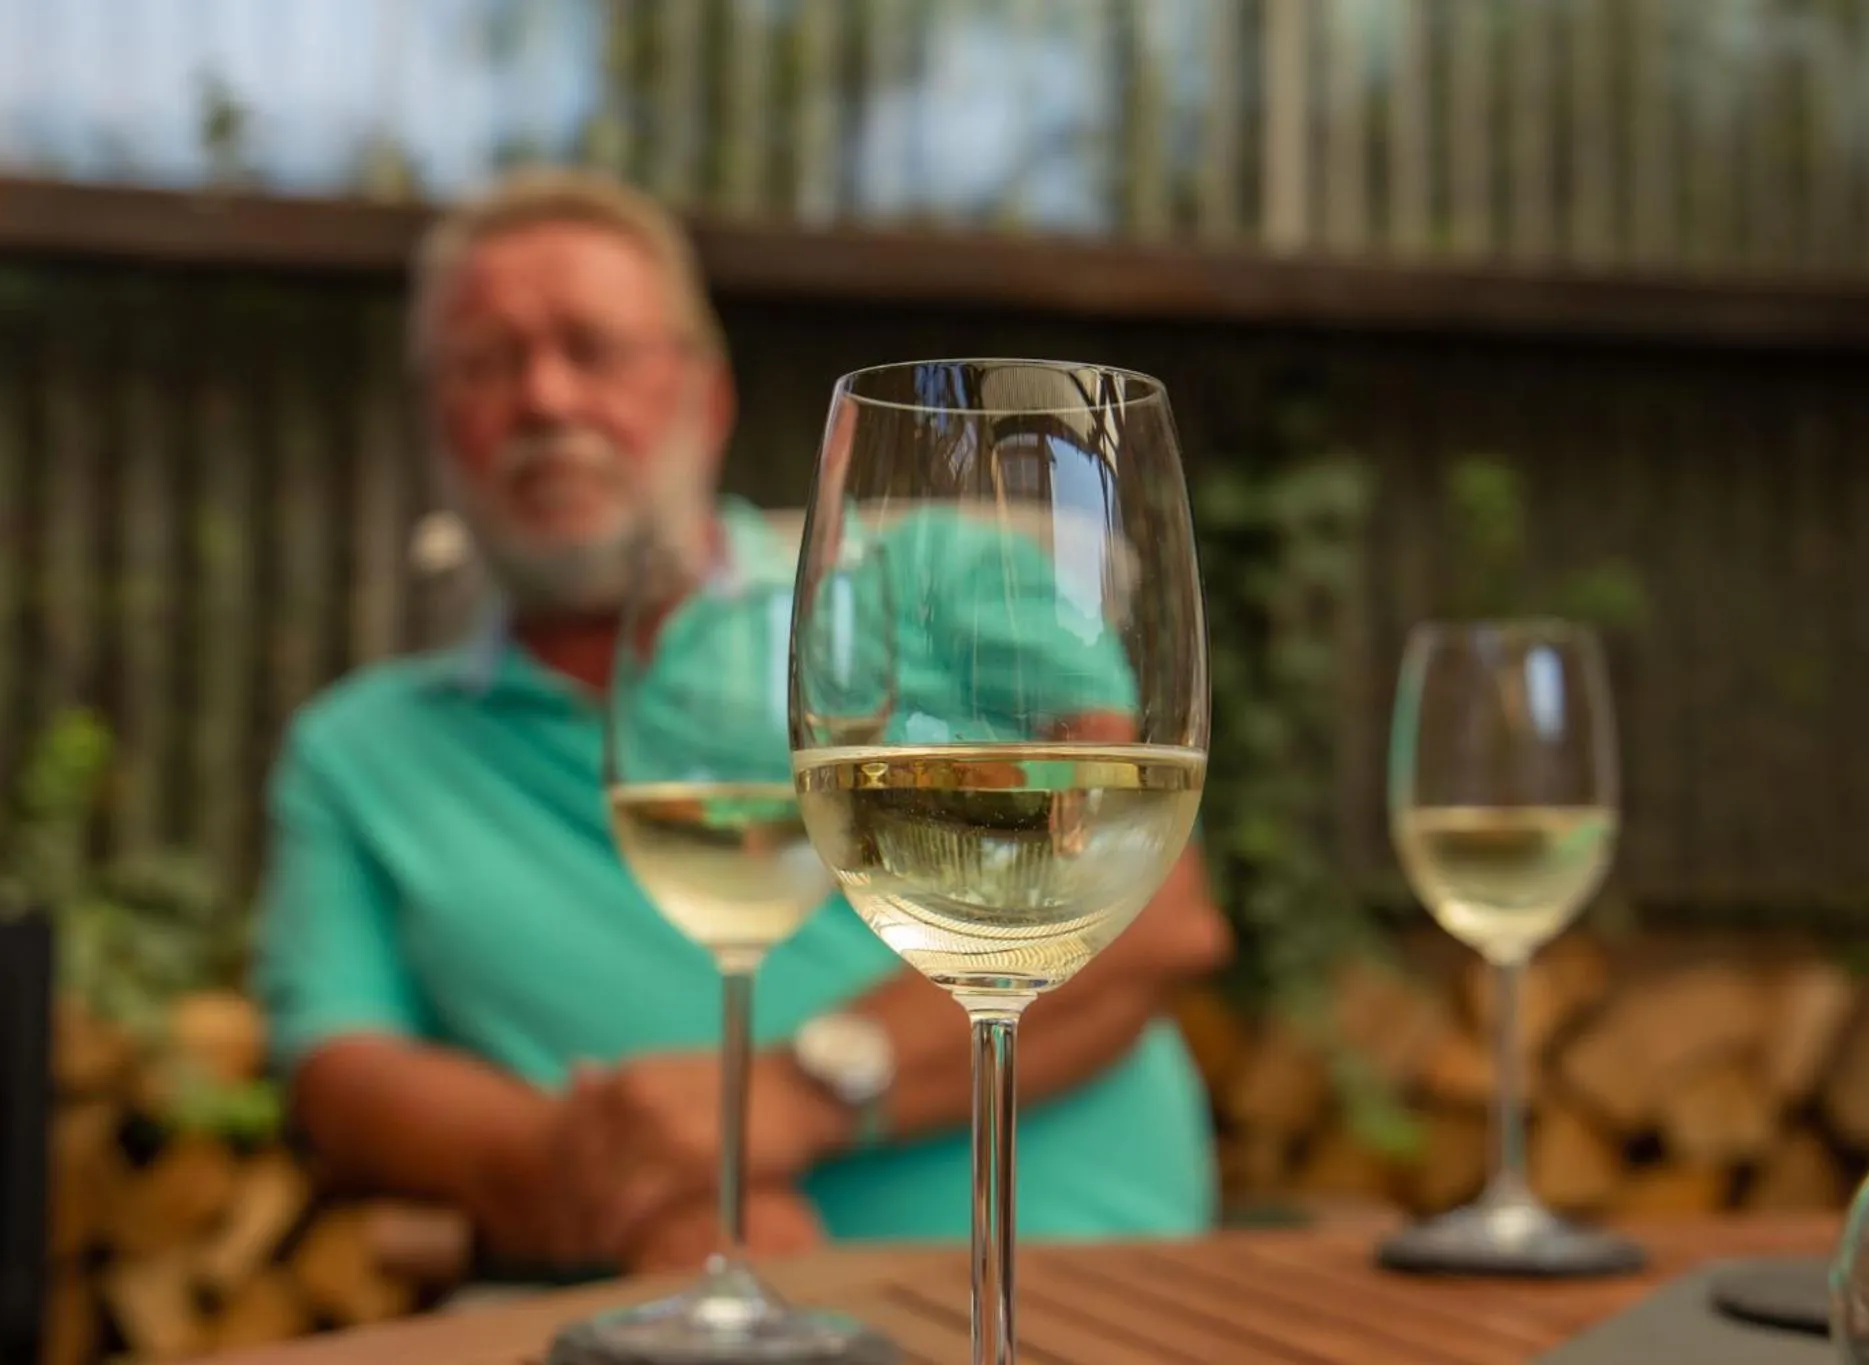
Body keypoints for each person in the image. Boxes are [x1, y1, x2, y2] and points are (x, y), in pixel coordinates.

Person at [256, 171, 1231, 1277]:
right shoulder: (359, 752)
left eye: (593, 348)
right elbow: (336, 1065)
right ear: (436, 423)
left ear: (704, 396)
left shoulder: (949, 580)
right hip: (685, 1309)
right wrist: (625, 1189)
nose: (545, 400)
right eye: (486, 363)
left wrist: (789, 1095)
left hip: (1105, 1286)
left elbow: (1150, 908)